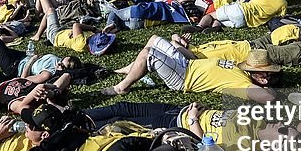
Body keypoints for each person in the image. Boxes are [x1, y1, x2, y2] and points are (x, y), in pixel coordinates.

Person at [102, 36, 279, 102]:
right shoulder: (241, 69)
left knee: (150, 53)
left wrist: (265, 86)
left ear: (261, 78)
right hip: (187, 63)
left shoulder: (241, 82)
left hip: (182, 77)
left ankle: (122, 87)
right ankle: (133, 68)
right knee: (154, 39)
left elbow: (268, 98)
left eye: (265, 73)